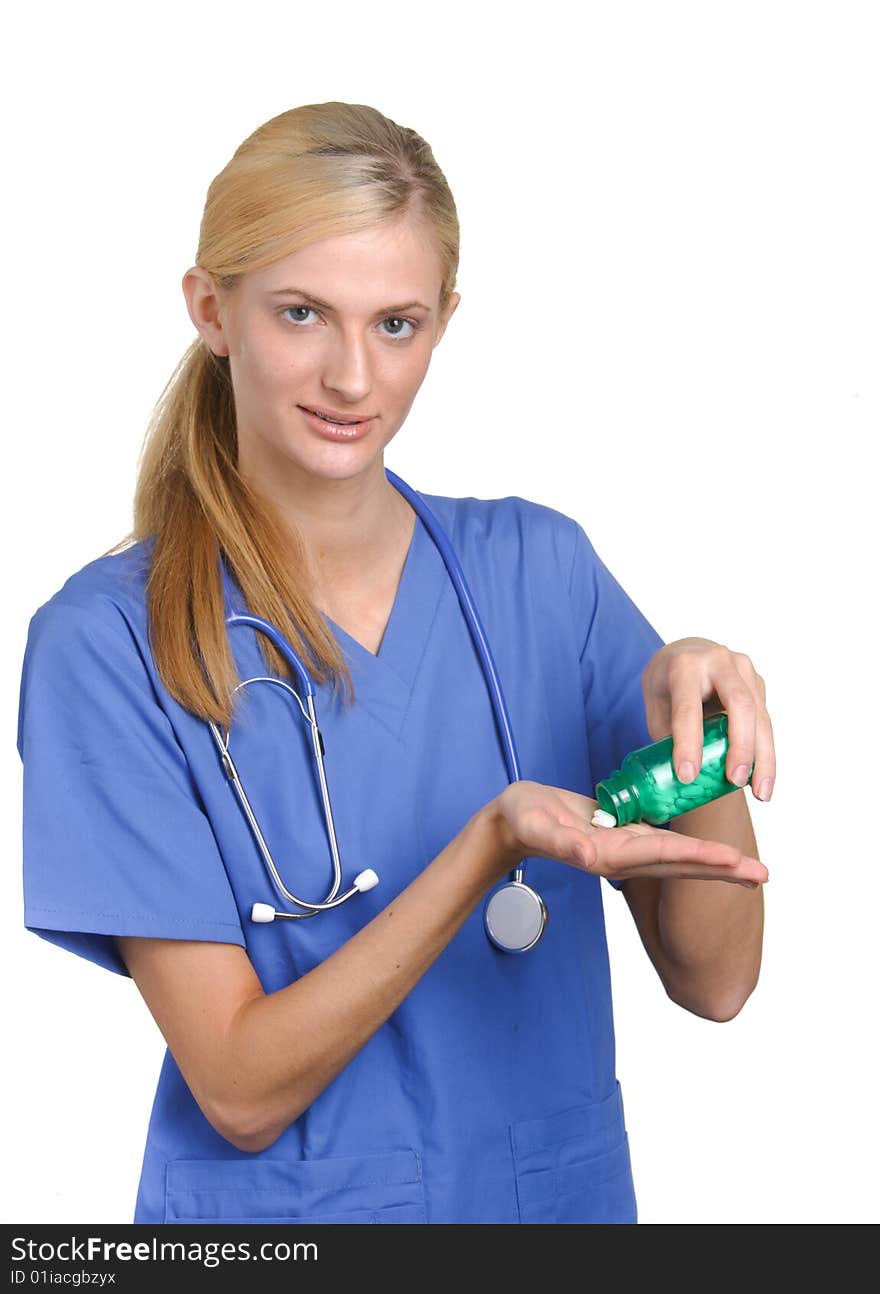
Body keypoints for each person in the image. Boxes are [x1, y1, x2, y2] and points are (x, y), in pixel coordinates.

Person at [17, 101, 771, 1226]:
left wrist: (699, 737)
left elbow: (716, 983)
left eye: (397, 324)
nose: (352, 376)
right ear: (211, 309)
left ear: (445, 322)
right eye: (303, 313)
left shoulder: (541, 574)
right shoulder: (108, 643)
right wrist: (483, 849)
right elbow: (236, 1088)